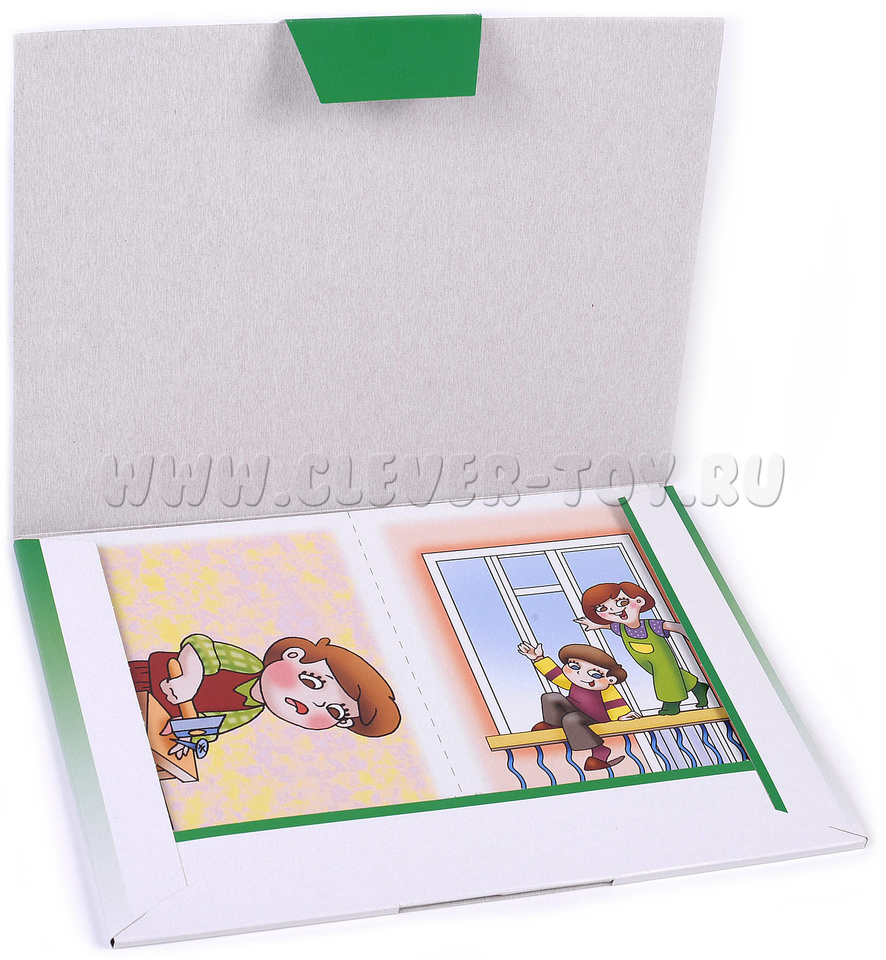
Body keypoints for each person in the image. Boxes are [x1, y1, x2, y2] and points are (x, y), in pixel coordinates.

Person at [129, 633, 401, 758]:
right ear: (292, 655)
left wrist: (188, 739)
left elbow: (211, 726)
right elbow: (199, 646)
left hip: (149, 717)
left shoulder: (250, 712)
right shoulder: (247, 664)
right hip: (143, 682)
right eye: (313, 681)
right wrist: (190, 678)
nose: (316, 703)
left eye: (335, 712)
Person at [576, 581, 709, 716]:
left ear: (639, 601)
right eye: (602, 609)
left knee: (665, 675)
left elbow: (673, 626)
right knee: (673, 673)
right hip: (644, 661)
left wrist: (691, 634)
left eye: (622, 602)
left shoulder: (652, 625)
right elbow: (609, 626)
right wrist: (595, 625)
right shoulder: (621, 628)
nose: (613, 610)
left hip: (662, 658)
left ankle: (672, 703)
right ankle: (698, 687)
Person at [517, 640, 640, 771]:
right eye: (574, 667)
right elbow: (556, 676)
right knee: (550, 697)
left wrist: (622, 716)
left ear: (610, 680)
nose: (580, 674)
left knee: (571, 719)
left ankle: (600, 751)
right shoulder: (574, 682)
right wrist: (539, 659)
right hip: (574, 711)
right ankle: (552, 725)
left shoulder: (606, 690)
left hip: (594, 718)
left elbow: (615, 704)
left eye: (595, 674)